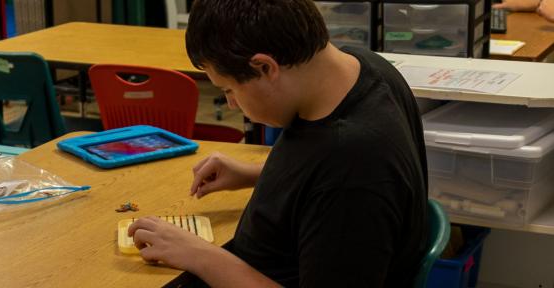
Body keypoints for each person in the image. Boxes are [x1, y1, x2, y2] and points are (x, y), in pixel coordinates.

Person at [127, 0, 429, 287]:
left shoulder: (354, 165)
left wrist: (199, 255)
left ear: (265, 68)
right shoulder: (361, 67)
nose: (232, 104)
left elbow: (343, 186)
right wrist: (253, 174)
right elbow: (321, 187)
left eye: (229, 89)